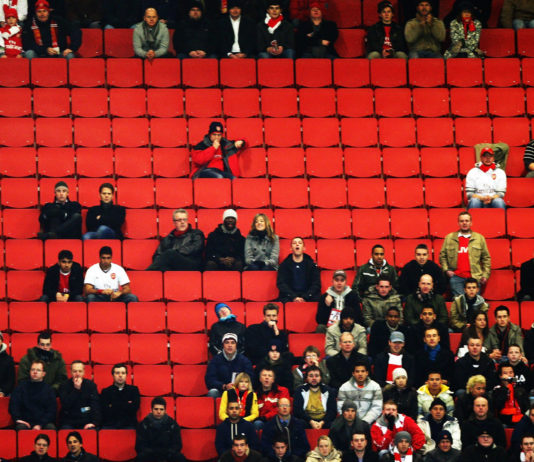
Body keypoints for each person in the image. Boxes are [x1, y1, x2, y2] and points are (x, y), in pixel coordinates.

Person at [439, 211, 491, 297]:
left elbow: (486, 258)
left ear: (471, 223)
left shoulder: (479, 238)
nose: (464, 223)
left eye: (467, 221)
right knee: (460, 303)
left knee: (473, 303)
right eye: (462, 221)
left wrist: (485, 275)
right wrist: (446, 270)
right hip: (456, 277)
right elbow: (442, 256)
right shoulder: (449, 238)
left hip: (474, 277)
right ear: (458, 223)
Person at [9, 360, 57, 430]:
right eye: (33, 369)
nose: (35, 372)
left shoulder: (49, 390)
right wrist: (18, 419)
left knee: (51, 428)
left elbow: (52, 411)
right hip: (24, 422)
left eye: (38, 370)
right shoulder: (21, 388)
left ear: (43, 374)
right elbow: (14, 405)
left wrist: (40, 424)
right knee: (20, 428)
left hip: (43, 423)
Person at [135, 397, 186, 462]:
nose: (159, 412)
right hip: (150, 455)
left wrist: (167, 453)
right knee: (140, 458)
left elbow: (177, 445)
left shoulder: (172, 424)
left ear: (165, 410)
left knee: (180, 458)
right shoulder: (143, 424)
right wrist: (153, 454)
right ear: (151, 410)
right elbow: (139, 446)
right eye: (156, 409)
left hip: (168, 454)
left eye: (161, 409)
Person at [206, 332, 254, 398]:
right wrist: (224, 386)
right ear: (223, 345)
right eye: (227, 343)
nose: (230, 345)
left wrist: (238, 386)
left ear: (236, 345)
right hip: (222, 391)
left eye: (232, 343)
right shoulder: (215, 360)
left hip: (240, 391)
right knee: (213, 392)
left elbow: (250, 378)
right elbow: (210, 380)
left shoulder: (244, 361)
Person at [277, 237, 321, 303]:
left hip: (308, 297)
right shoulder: (284, 265)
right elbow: (281, 284)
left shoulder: (311, 265)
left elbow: (316, 284)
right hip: (289, 297)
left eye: (300, 243)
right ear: (291, 248)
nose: (297, 244)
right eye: (294, 243)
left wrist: (306, 297)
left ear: (304, 248)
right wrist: (293, 297)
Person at [58, 361, 100, 429]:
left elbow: (95, 406)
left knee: (92, 430)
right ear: (71, 372)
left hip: (86, 420)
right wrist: (76, 390)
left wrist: (94, 422)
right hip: (69, 421)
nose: (77, 374)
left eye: (80, 371)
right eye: (75, 371)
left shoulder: (91, 385)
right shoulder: (64, 386)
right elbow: (65, 405)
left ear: (84, 372)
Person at [100, 363, 140, 429]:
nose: (120, 375)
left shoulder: (134, 390)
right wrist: (126, 404)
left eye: (123, 373)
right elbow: (106, 411)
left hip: (129, 424)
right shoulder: (106, 391)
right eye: (117, 373)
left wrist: (113, 405)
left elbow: (134, 409)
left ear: (126, 375)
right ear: (113, 375)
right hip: (110, 425)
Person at [490, 362, 529, 427]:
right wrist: (506, 386)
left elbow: (526, 407)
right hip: (503, 421)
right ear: (500, 376)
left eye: (511, 373)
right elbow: (497, 405)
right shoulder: (497, 389)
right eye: (505, 373)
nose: (508, 375)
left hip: (520, 419)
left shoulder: (520, 389)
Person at [255, 366, 291, 430]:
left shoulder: (282, 391)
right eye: (264, 375)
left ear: (273, 380)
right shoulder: (255, 394)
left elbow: (283, 408)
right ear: (260, 379)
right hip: (263, 422)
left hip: (279, 419)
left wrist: (266, 417)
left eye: (270, 376)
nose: (267, 377)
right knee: (257, 423)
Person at [0, 331, 15, 397]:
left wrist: (3, 392)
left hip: (2, 392)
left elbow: (10, 381)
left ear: (1, 341)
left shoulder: (8, 360)